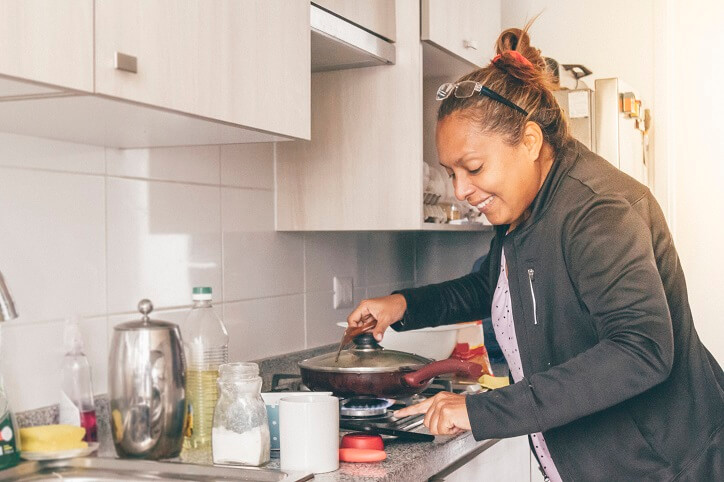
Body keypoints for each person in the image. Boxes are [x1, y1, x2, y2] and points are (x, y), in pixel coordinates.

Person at [345, 26, 723, 481]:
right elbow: (495, 287)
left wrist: (480, 410)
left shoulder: (597, 211)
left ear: (528, 141)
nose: (462, 189)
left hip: (666, 466)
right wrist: (403, 305)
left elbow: (641, 350)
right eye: (451, 172)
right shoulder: (523, 209)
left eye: (474, 167)